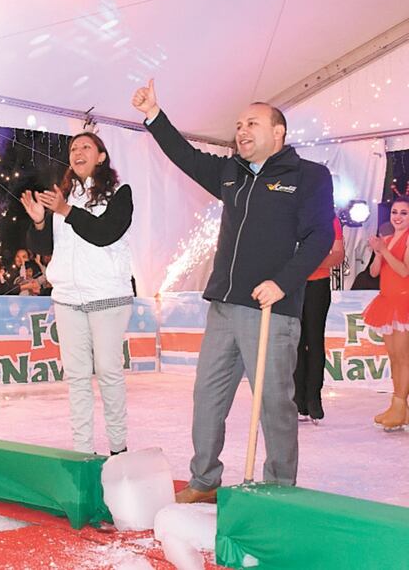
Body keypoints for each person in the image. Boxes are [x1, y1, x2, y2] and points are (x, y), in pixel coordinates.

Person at [132, 80, 334, 502]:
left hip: (271, 312)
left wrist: (282, 283)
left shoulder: (309, 176)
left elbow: (319, 239)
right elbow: (186, 157)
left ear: (278, 132)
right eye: (238, 124)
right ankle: (204, 480)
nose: (241, 130)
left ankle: (280, 488)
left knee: (275, 404)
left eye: (252, 123)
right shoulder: (231, 173)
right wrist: (154, 114)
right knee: (207, 395)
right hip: (223, 306)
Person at [22, 131, 134, 456]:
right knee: (77, 378)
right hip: (68, 299)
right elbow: (46, 250)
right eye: (73, 148)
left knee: (109, 373)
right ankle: (82, 452)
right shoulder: (64, 196)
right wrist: (41, 222)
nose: (77, 152)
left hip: (107, 297)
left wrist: (66, 211)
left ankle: (118, 450)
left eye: (86, 147)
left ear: (101, 156)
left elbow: (106, 234)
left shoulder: (119, 193)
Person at [362, 197, 409, 431]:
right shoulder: (387, 239)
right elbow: (373, 272)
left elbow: (403, 270)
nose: (398, 217)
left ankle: (400, 405)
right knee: (393, 357)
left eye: (403, 213)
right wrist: (379, 252)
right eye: (394, 212)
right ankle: (398, 406)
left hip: (403, 301)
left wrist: (385, 251)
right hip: (387, 301)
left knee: (403, 357)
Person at [294, 217, 344, 423]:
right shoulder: (290, 212)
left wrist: (307, 262)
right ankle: (297, 400)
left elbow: (338, 255)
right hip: (291, 285)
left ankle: (314, 398)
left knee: (314, 341)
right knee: (295, 342)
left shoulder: (330, 219)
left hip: (317, 285)